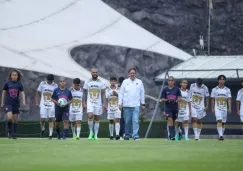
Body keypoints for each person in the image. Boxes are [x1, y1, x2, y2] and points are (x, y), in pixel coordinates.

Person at [118, 68, 145, 140]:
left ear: (135, 74)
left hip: (136, 105)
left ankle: (135, 135)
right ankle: (127, 135)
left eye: (133, 73)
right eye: (131, 73)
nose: (132, 74)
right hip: (126, 105)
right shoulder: (125, 81)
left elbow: (142, 93)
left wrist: (143, 104)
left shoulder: (139, 82)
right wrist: (120, 103)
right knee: (127, 122)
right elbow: (121, 93)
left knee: (135, 120)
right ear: (128, 74)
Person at [0, 69, 26, 139]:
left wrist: (24, 101)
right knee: (9, 118)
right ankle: (10, 131)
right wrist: (2, 103)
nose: (14, 76)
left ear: (17, 76)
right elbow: (3, 93)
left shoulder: (19, 84)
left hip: (16, 104)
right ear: (11, 76)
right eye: (13, 75)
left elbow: (22, 93)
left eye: (15, 75)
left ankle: (14, 134)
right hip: (8, 103)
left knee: (15, 120)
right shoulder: (7, 83)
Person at [82, 68, 106, 140]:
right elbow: (84, 92)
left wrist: (104, 104)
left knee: (97, 118)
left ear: (98, 73)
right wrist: (83, 102)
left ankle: (95, 135)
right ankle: (91, 132)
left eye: (96, 72)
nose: (95, 73)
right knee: (90, 116)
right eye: (93, 72)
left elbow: (104, 94)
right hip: (90, 103)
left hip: (98, 103)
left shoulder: (101, 82)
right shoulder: (87, 81)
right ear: (91, 73)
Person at [36, 74, 58, 139]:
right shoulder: (42, 83)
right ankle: (42, 129)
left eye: (51, 81)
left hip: (51, 104)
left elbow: (56, 94)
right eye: (49, 80)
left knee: (51, 119)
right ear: (47, 79)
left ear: (53, 80)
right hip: (43, 104)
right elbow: (38, 92)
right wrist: (37, 101)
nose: (50, 81)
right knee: (42, 120)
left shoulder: (55, 85)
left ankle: (50, 135)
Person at [211, 75, 231, 141]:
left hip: (224, 108)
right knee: (219, 120)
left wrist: (229, 108)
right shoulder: (214, 89)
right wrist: (213, 108)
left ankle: (221, 135)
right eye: (220, 79)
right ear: (218, 80)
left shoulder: (227, 90)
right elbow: (213, 99)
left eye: (223, 79)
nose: (222, 81)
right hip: (217, 108)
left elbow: (229, 99)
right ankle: (221, 135)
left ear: (224, 81)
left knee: (223, 122)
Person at [161, 76, 181, 141]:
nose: (170, 82)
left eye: (172, 80)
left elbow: (180, 98)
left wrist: (176, 100)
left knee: (174, 122)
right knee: (170, 120)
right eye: (169, 80)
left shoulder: (177, 89)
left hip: (175, 108)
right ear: (168, 81)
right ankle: (172, 136)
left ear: (173, 81)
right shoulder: (165, 89)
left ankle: (177, 133)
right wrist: (167, 100)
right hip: (168, 108)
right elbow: (162, 98)